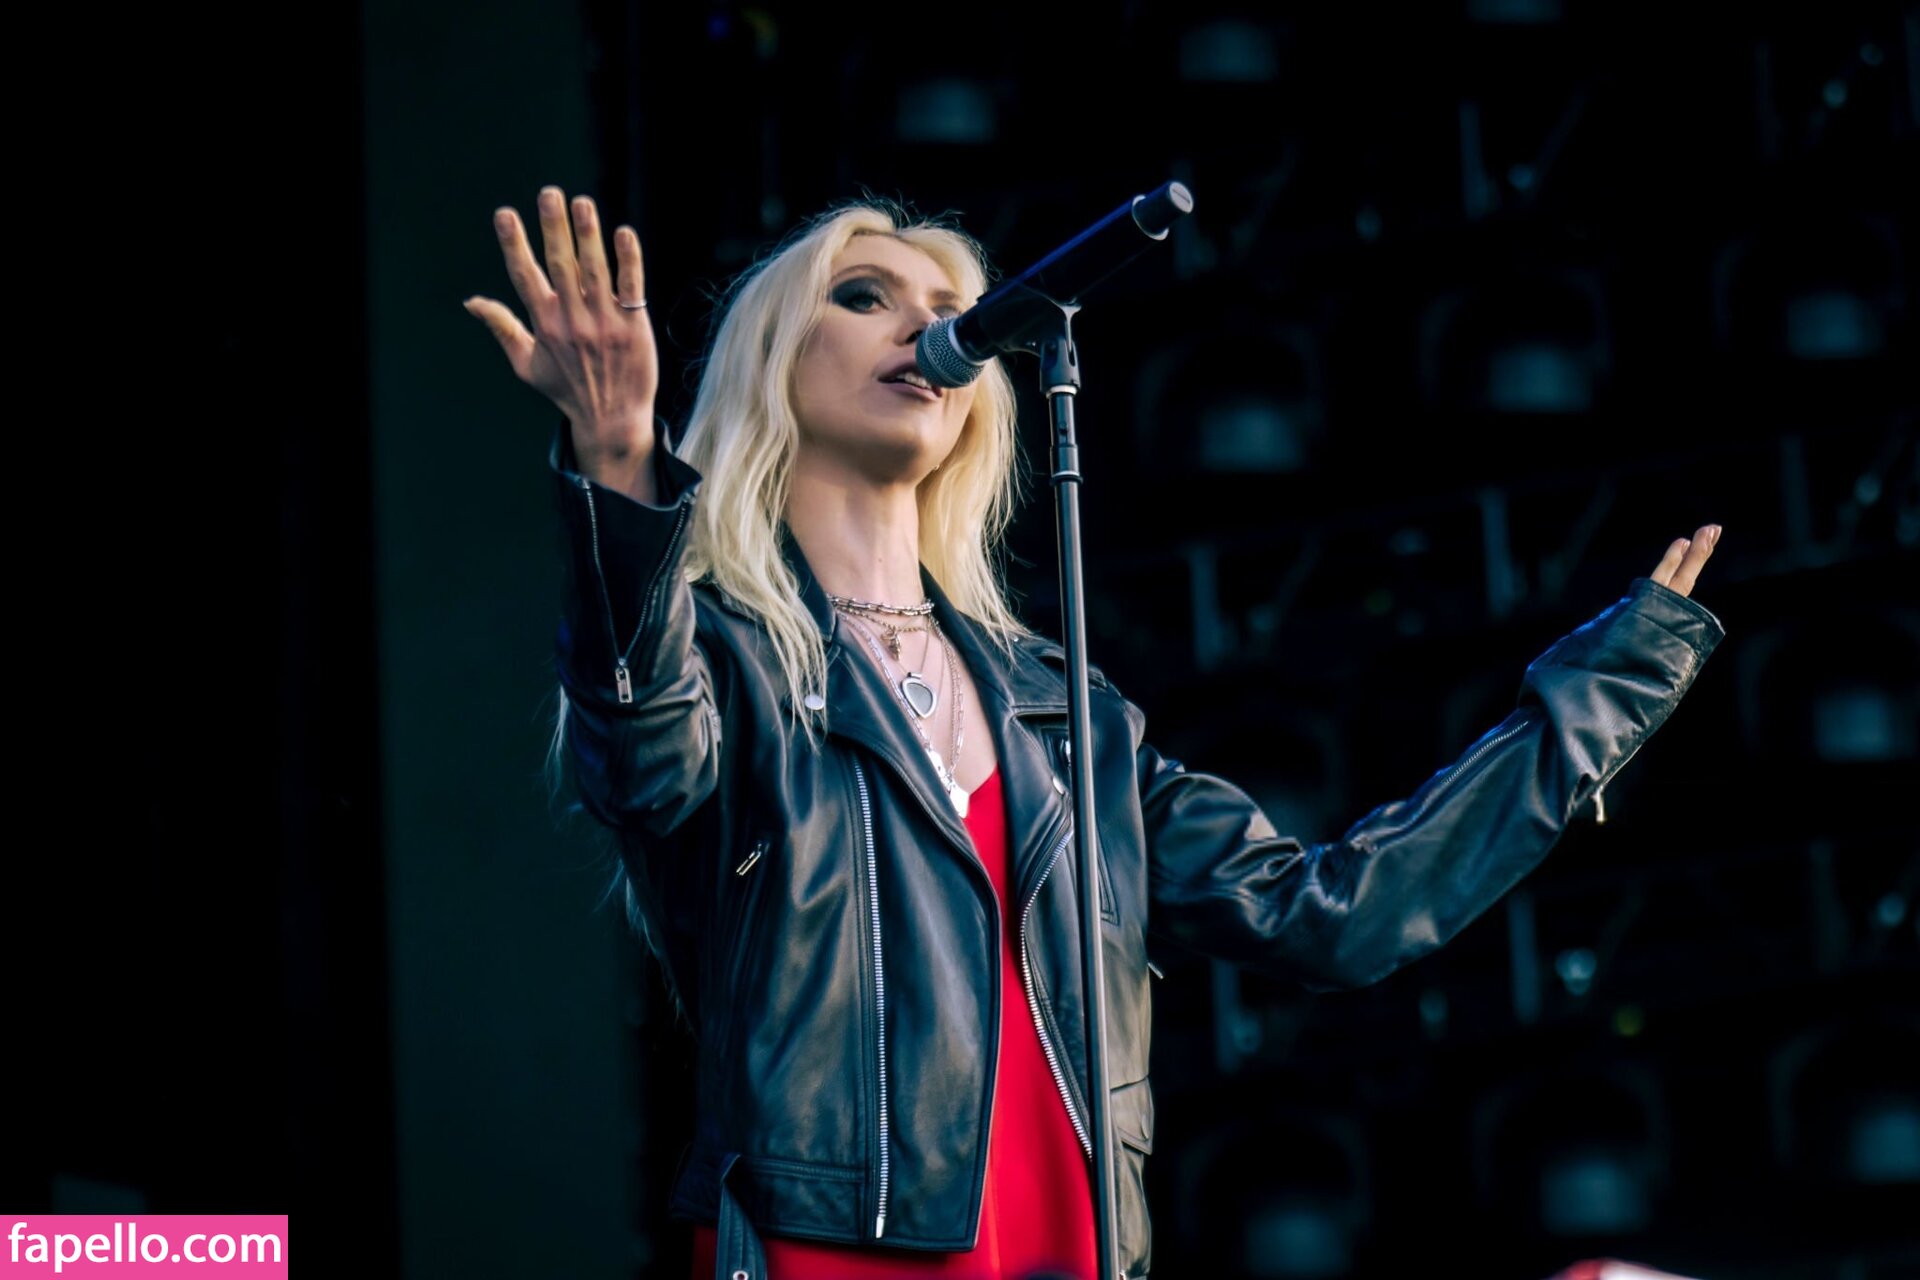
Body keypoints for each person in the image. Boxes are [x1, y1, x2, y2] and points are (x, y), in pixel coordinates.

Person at [463, 184, 1726, 1280]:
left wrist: (1595, 699)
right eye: (863, 296)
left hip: (1069, 1237)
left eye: (948, 305)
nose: (923, 327)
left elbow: (1332, 914)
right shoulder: (718, 652)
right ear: (771, 364)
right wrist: (618, 462)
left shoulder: (1066, 715)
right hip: (834, 1240)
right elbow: (644, 762)